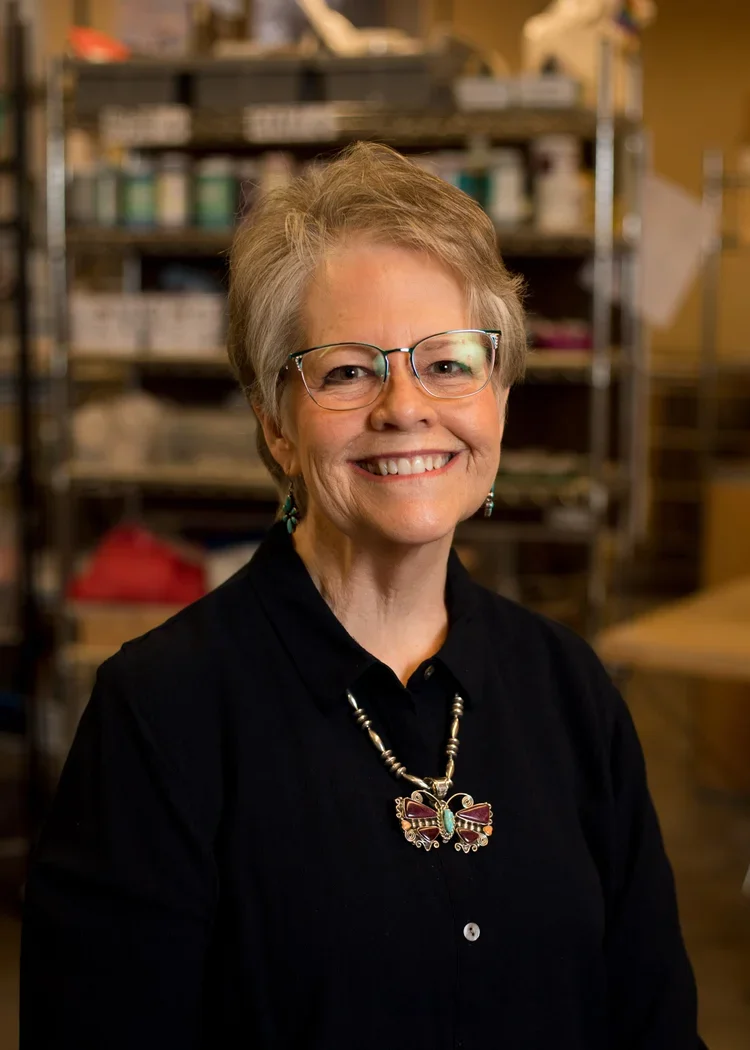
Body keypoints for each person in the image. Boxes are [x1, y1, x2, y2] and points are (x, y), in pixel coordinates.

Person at [20, 142, 705, 1049]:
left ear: (499, 395)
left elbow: (654, 1025)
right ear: (276, 423)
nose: (404, 406)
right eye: (348, 370)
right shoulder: (161, 714)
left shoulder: (569, 690)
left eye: (448, 364)